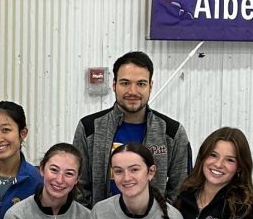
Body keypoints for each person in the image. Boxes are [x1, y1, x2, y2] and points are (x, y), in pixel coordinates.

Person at [72, 50, 191, 205]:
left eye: (141, 84)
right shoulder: (89, 129)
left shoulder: (172, 133)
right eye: (125, 83)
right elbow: (79, 186)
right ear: (114, 85)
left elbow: (180, 189)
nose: (132, 91)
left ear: (150, 86)